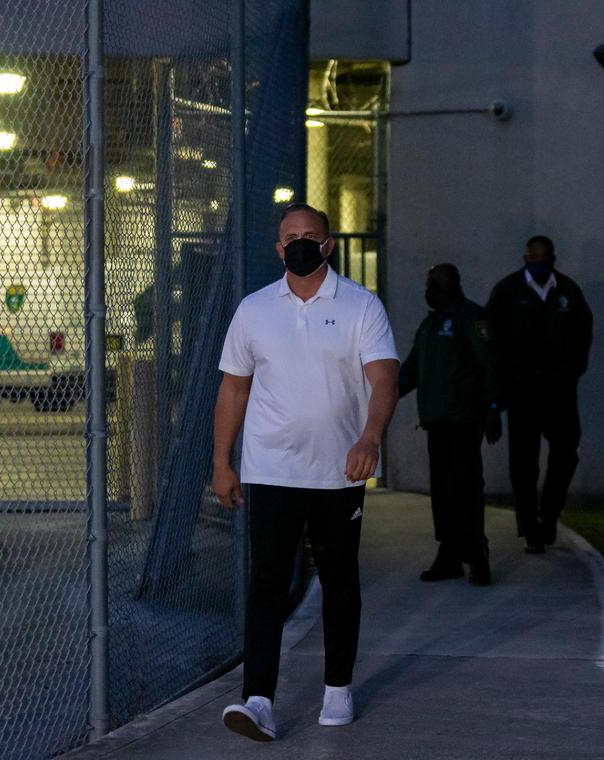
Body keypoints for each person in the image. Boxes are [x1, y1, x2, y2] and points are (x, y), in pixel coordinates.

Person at [212, 203, 399, 742]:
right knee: (266, 584)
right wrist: (222, 462)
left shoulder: (362, 306)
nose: (299, 243)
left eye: (309, 235)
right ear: (278, 248)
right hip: (271, 469)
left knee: (340, 581)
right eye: (289, 236)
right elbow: (234, 388)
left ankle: (338, 688)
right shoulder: (253, 310)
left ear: (328, 245)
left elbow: (383, 379)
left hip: (339, 473)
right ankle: (258, 700)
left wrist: (370, 437)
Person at [486, 235, 593, 553]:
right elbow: (494, 346)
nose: (540, 264)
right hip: (522, 394)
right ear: (526, 258)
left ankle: (549, 514)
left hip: (560, 393)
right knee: (523, 463)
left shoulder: (569, 293)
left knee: (565, 453)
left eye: (545, 258)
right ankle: (531, 528)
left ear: (554, 258)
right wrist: (497, 397)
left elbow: (582, 340)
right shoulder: (506, 292)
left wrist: (566, 375)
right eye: (534, 258)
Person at [398, 263, 502, 586]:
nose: (427, 291)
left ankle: (475, 553)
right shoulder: (430, 326)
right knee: (442, 490)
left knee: (466, 487)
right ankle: (450, 552)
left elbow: (490, 364)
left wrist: (494, 408)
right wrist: (383, 396)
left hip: (464, 420)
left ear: (447, 286)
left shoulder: (471, 318)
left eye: (431, 284)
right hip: (437, 421)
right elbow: (413, 368)